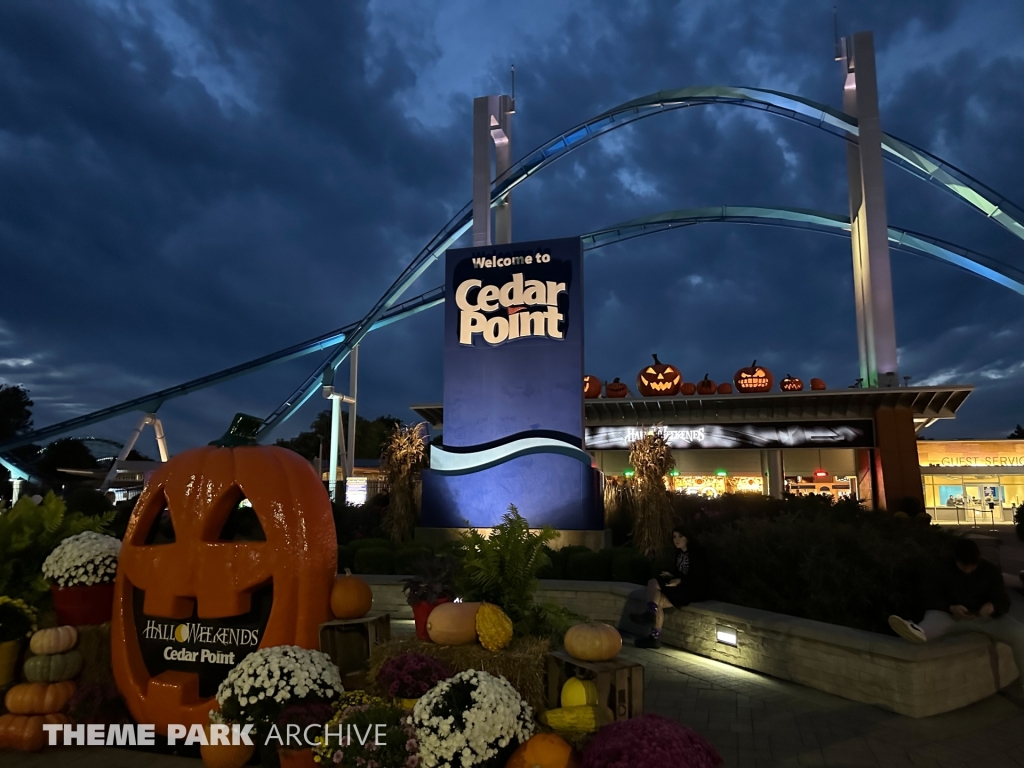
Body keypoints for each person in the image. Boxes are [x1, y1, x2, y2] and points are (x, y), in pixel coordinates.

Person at [889, 538, 1024, 704]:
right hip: (951, 616)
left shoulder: (990, 570)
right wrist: (950, 607)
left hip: (983, 619)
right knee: (927, 629)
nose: (968, 569)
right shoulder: (941, 569)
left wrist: (993, 606)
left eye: (972, 565)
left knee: (1020, 634)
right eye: (964, 565)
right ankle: (913, 629)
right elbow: (928, 597)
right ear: (956, 560)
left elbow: (1002, 599)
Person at [631, 527, 705, 649]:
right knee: (654, 588)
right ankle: (653, 633)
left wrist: (680, 580)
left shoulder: (696, 554)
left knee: (655, 589)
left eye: (680, 536)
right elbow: (681, 572)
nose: (676, 540)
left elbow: (698, 577)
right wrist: (672, 576)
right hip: (680, 584)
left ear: (687, 538)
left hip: (691, 589)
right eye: (674, 537)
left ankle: (651, 621)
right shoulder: (679, 553)